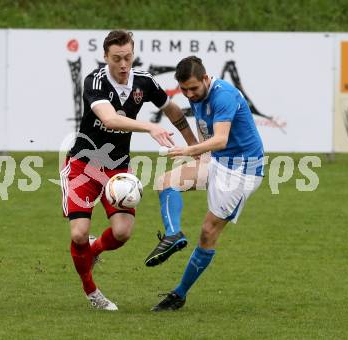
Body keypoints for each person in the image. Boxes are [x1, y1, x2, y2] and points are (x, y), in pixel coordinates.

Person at [60, 30, 197, 311]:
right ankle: (92, 292)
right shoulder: (95, 81)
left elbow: (172, 110)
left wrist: (195, 146)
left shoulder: (144, 82)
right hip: (83, 166)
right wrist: (149, 126)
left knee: (122, 233)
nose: (123, 64)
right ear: (105, 57)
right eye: (117, 58)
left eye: (128, 57)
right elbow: (109, 119)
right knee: (77, 233)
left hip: (117, 167)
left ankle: (94, 249)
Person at [149, 56, 265, 311]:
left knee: (207, 232)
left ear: (205, 78)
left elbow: (221, 139)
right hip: (219, 161)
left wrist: (190, 151)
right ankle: (173, 235)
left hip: (243, 170)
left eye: (194, 88)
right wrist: (198, 150)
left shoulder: (224, 95)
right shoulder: (197, 97)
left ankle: (179, 294)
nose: (189, 94)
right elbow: (207, 135)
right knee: (164, 182)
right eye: (185, 90)